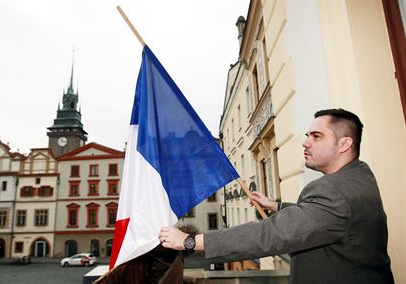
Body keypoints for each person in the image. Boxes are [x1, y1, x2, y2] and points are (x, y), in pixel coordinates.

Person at [159, 109, 394, 283]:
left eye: (316, 136)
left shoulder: (334, 191)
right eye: (307, 135)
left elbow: (269, 234)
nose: (305, 142)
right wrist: (277, 206)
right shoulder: (359, 175)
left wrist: (190, 241)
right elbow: (328, 218)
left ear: (344, 144)